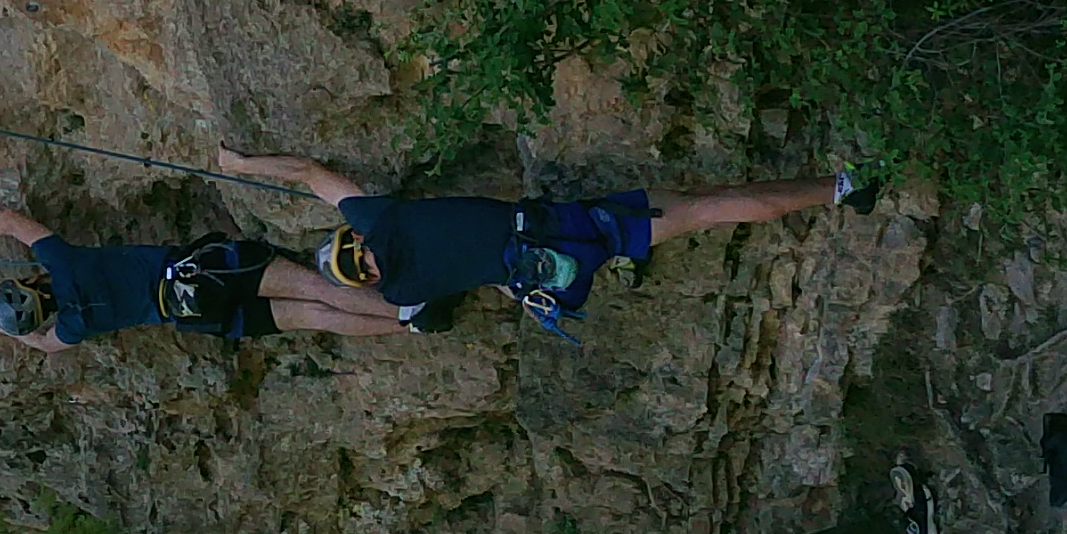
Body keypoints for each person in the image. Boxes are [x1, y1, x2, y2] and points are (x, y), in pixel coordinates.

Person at [213, 146, 875, 332]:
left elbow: (417, 322)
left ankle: (832, 184)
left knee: (699, 207)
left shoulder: (410, 289)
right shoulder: (382, 220)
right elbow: (307, 173)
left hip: (563, 251)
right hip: (569, 224)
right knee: (706, 209)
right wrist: (242, 167)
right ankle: (841, 187)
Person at [0, 207, 411, 346]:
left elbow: (45, 346)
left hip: (201, 315)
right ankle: (409, 305)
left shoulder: (73, 327)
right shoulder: (66, 263)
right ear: (30, 283)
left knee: (316, 317)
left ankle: (407, 325)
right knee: (315, 286)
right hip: (206, 273)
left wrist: (1, 329)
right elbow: (9, 220)